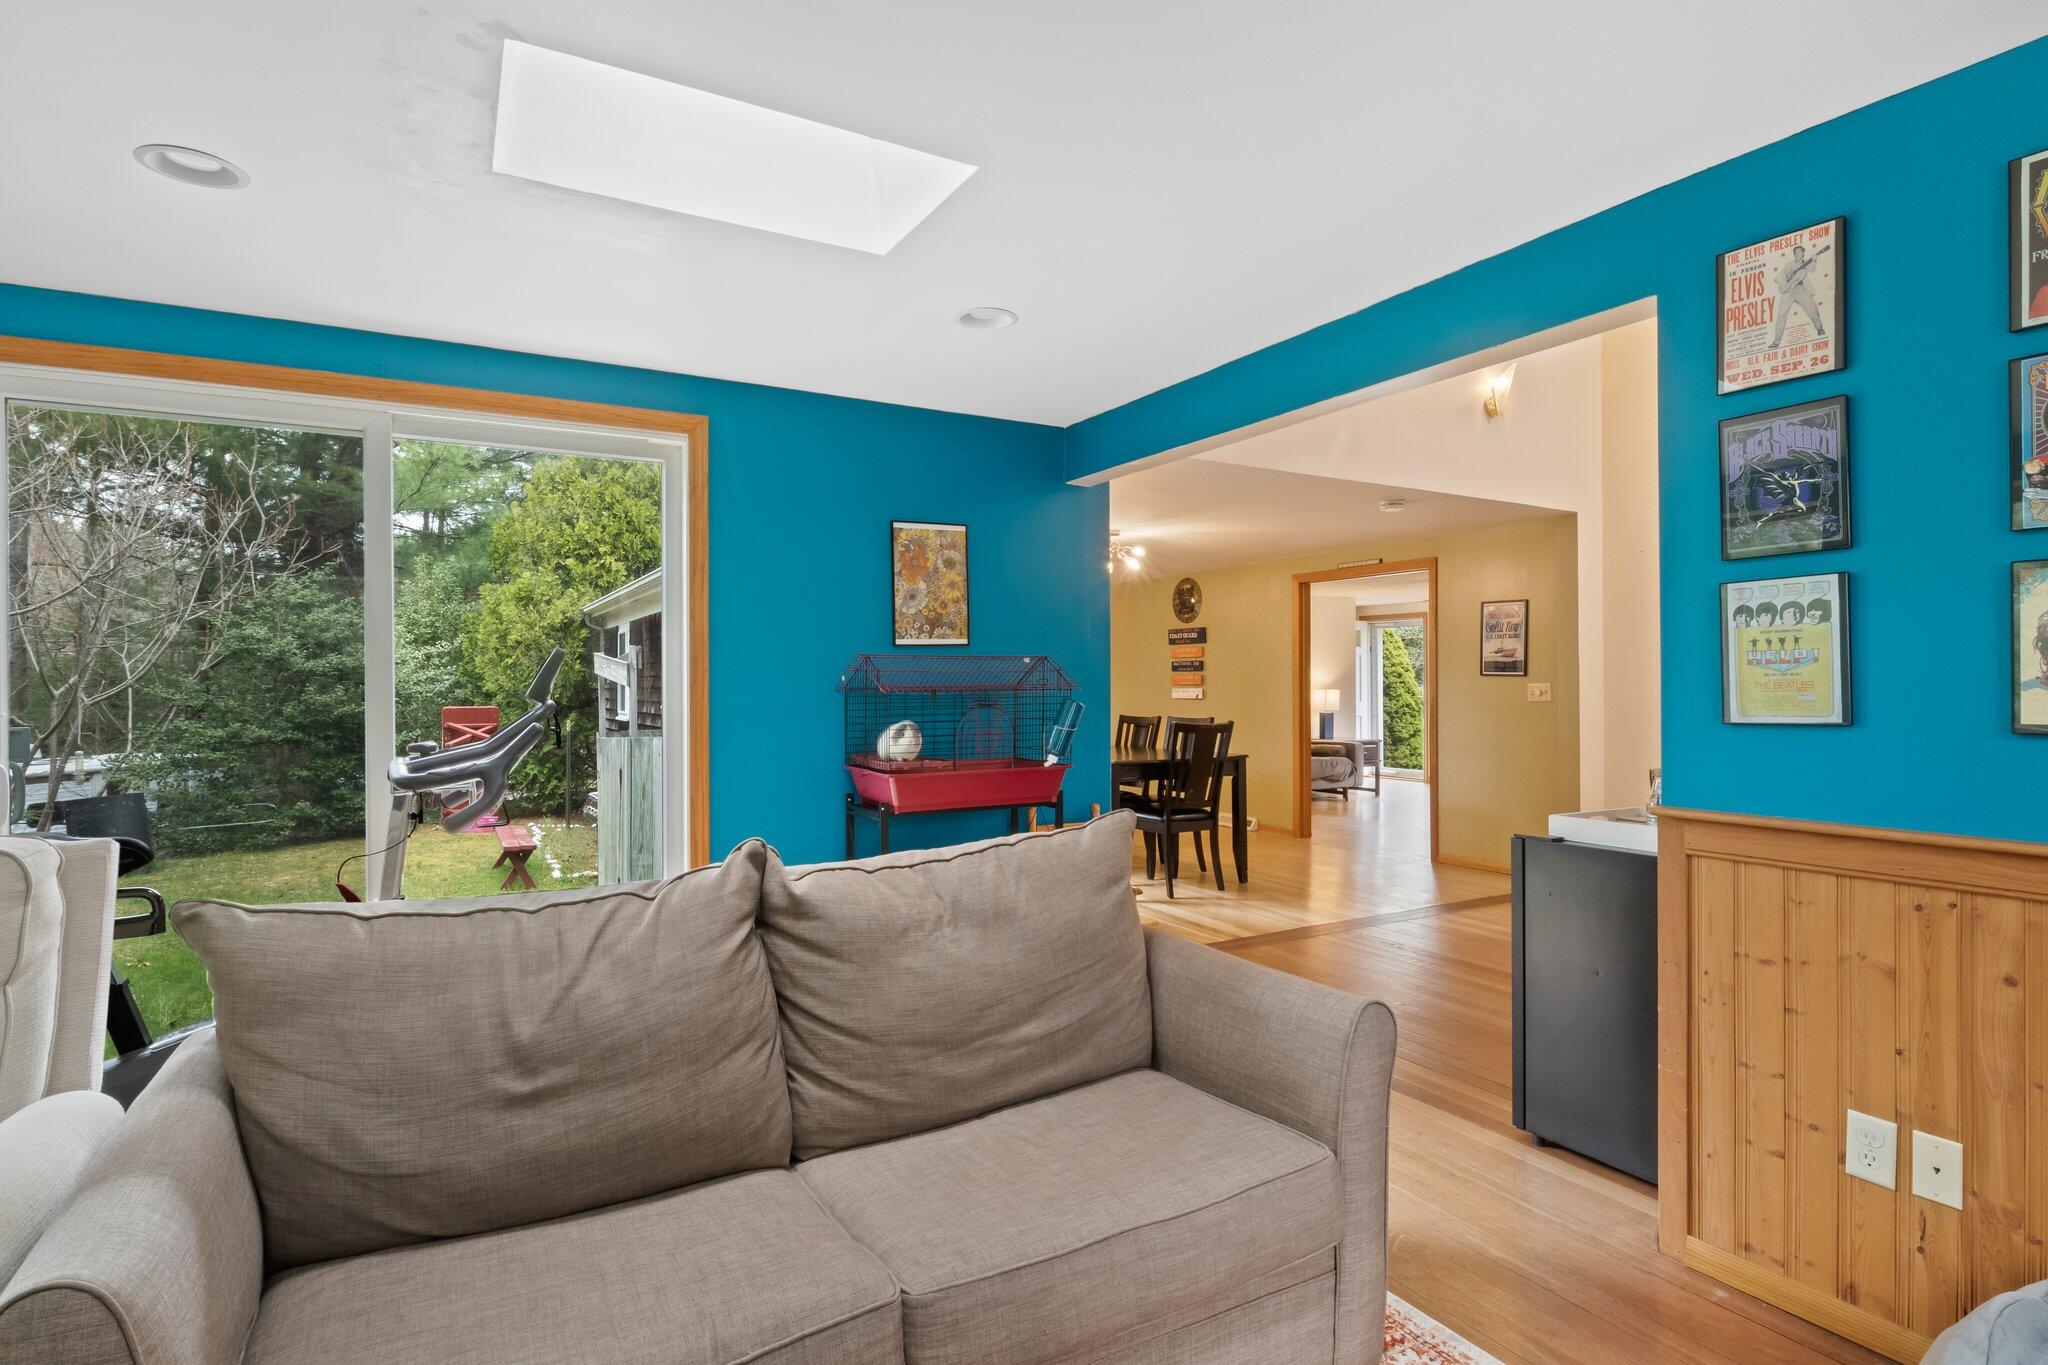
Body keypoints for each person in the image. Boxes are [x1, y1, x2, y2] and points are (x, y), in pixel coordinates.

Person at [1769, 243, 1829, 346]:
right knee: (1781, 315)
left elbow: (1812, 269)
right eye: (1795, 252)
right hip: (1788, 291)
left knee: (1812, 308)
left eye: (1799, 252)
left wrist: (1814, 260)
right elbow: (1778, 277)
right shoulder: (1788, 265)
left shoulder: (1807, 263)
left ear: (1803, 254)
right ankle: (1776, 341)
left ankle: (1819, 328)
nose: (1797, 254)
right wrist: (1785, 282)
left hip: (1801, 290)